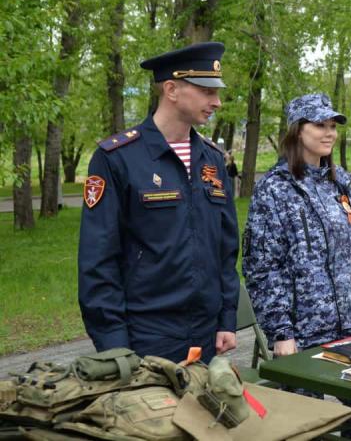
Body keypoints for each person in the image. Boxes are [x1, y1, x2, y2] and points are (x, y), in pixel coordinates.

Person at [78, 42, 240, 364]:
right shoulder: (117, 158)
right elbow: (98, 261)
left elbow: (225, 246)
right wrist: (115, 346)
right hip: (146, 338)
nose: (217, 102)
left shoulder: (212, 160)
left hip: (207, 335)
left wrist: (226, 318)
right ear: (171, 89)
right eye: (207, 91)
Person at [242, 93, 351, 440]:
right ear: (296, 130)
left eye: (332, 126)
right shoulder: (275, 190)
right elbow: (263, 267)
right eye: (319, 125)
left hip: (350, 325)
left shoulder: (340, 185)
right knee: (304, 425)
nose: (329, 133)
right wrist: (281, 332)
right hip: (303, 331)